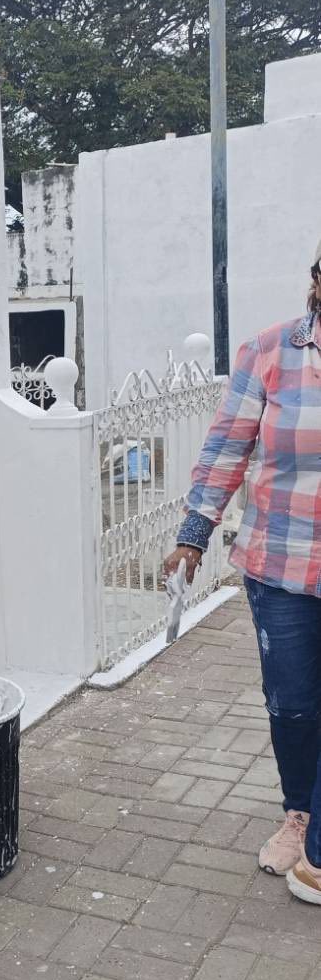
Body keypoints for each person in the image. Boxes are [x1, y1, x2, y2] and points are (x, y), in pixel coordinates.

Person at [164, 240, 321, 905]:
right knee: (293, 704)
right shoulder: (270, 352)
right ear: (317, 279)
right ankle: (299, 812)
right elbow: (226, 449)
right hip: (280, 565)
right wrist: (192, 537)